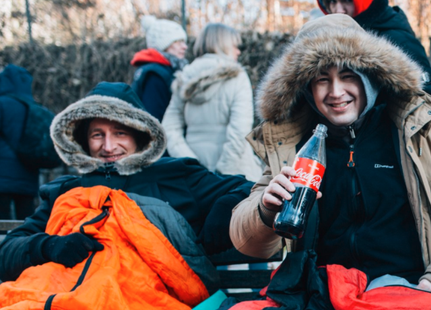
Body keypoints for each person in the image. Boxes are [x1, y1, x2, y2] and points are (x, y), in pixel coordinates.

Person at [231, 14, 431, 301]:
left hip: (410, 296)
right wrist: (265, 210)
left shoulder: (426, 127)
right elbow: (247, 242)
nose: (336, 92)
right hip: (324, 300)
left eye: (348, 76)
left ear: (370, 76)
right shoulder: (294, 143)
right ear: (307, 89)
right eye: (322, 80)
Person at [0, 82, 252, 282]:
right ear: (84, 141)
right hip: (74, 304)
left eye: (120, 133)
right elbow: (7, 251)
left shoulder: (176, 175)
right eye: (98, 135)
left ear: (140, 135)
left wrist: (228, 204)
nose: (108, 147)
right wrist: (50, 246)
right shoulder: (67, 192)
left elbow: (249, 189)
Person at [163, 23, 263, 182]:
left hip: (194, 176)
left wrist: (191, 164)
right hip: (236, 172)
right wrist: (223, 171)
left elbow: (169, 127)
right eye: (235, 46)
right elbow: (240, 130)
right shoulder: (237, 76)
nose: (238, 51)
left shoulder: (184, 78)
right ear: (223, 45)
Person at [318, 0, 431, 104]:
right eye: (332, 2)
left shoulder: (397, 39)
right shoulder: (333, 40)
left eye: (346, 1)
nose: (339, 10)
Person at [131, 15, 188, 120]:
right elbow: (154, 118)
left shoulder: (158, 69)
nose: (185, 47)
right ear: (164, 44)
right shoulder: (155, 75)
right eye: (178, 42)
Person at [0, 65, 38, 220]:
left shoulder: (2, 104)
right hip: (28, 173)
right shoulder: (34, 107)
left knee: (2, 222)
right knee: (27, 221)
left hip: (2, 175)